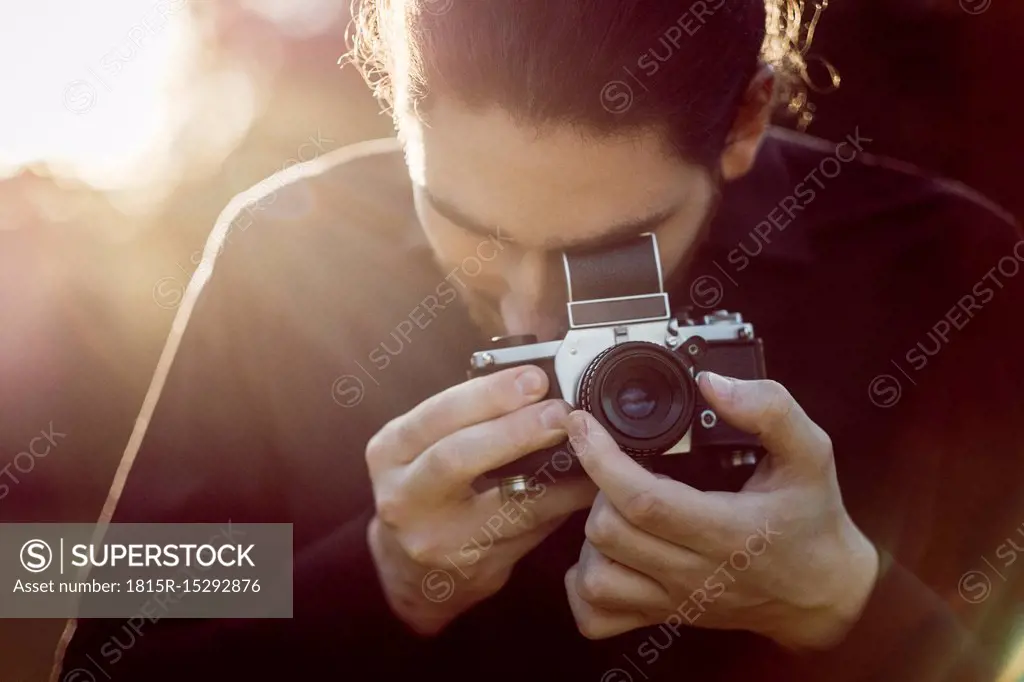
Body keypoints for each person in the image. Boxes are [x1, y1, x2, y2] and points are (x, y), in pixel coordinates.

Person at [58, 1, 1024, 680]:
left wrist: (848, 604)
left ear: (744, 120)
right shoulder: (285, 248)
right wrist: (374, 576)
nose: (528, 316)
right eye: (465, 227)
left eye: (608, 249)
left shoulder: (955, 272)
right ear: (394, 101)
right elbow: (85, 617)